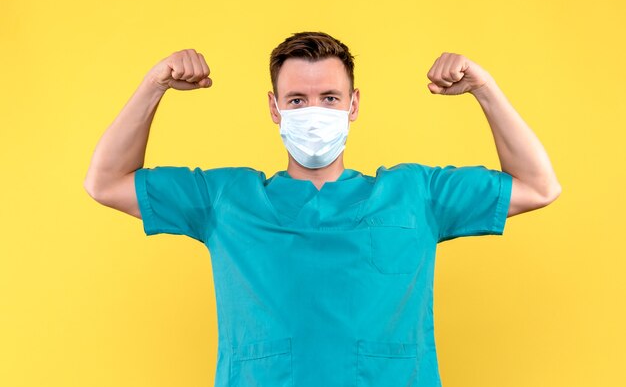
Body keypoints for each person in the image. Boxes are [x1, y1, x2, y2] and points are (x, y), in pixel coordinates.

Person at [84, 31, 561, 387]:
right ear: (275, 109)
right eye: (297, 99)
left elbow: (538, 186)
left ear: (353, 105)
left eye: (329, 98)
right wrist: (153, 85)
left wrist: (485, 87)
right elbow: (105, 182)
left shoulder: (417, 194)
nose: (314, 112)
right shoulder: (225, 200)